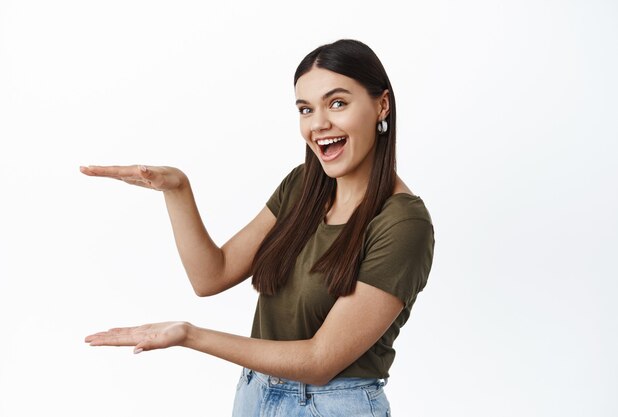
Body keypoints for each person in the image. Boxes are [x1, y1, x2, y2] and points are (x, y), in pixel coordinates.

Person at [82, 39, 435, 417]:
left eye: (337, 103)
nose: (318, 124)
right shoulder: (303, 187)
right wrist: (177, 190)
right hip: (255, 394)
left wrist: (191, 335)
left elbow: (320, 361)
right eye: (305, 109)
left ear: (381, 105)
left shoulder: (402, 223)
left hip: (333, 406)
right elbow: (210, 275)